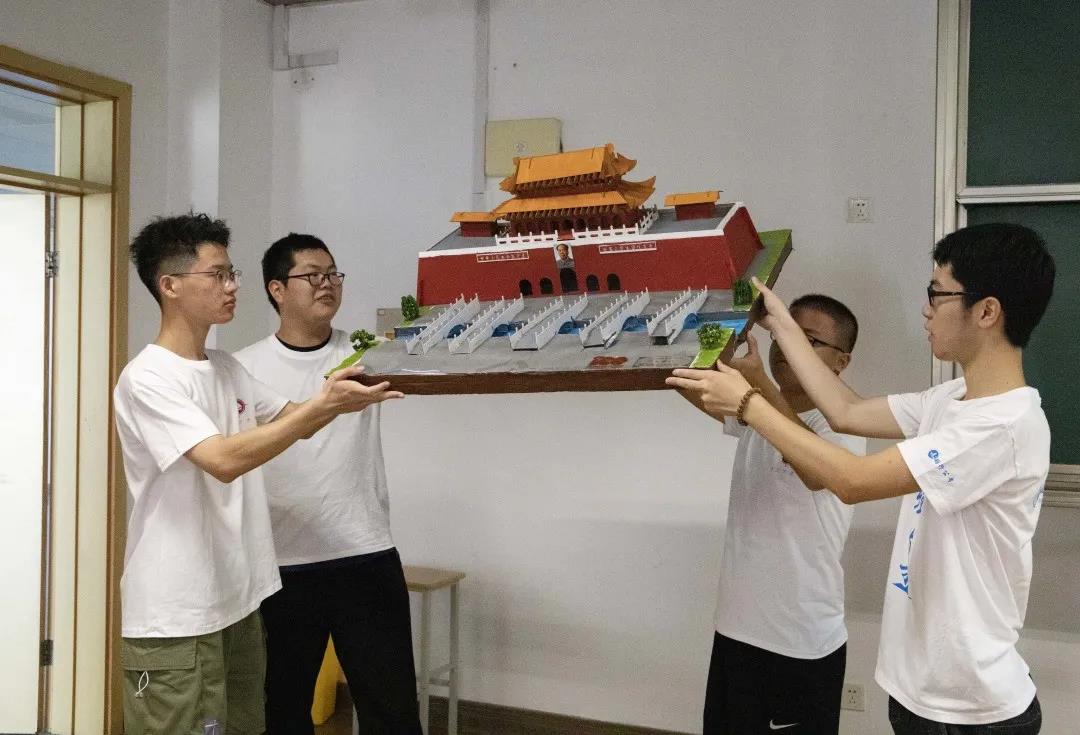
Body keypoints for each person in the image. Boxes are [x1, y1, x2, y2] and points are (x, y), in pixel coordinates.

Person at [668, 223, 1055, 734]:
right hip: (921, 694)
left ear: (986, 312)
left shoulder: (1002, 426)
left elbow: (851, 479)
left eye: (937, 294)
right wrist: (778, 321)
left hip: (972, 712)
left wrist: (748, 402)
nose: (926, 310)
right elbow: (845, 410)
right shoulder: (949, 400)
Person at [113, 214, 401, 735]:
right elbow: (223, 460)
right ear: (170, 286)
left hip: (238, 601)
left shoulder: (226, 368)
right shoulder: (148, 378)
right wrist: (322, 407)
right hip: (176, 611)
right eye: (218, 275)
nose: (232, 287)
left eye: (232, 274)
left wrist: (341, 398)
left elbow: (295, 419)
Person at [233, 233, 422, 734]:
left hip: (365, 554)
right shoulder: (242, 368)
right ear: (277, 289)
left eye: (333, 274)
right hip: (280, 565)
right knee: (281, 711)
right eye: (312, 275)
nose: (327, 284)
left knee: (393, 711)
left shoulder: (366, 355)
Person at [702, 296, 865, 735]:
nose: (785, 347)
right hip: (735, 630)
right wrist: (719, 325)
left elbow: (816, 471)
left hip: (799, 644)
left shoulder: (845, 425)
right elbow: (698, 388)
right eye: (781, 334)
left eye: (807, 340)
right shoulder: (757, 410)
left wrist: (757, 387)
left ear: (841, 361)